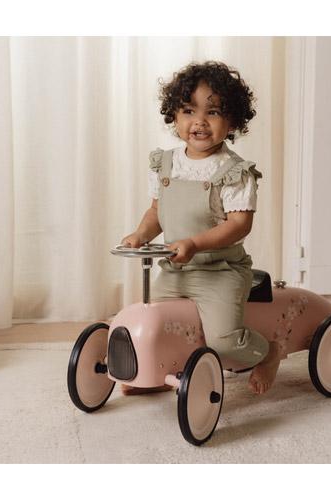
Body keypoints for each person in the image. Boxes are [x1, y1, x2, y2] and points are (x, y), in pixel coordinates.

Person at [121, 61, 282, 395]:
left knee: (223, 339)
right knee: (152, 320)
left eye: (213, 112)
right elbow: (157, 211)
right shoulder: (166, 164)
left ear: (233, 121)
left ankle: (267, 352)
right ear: (174, 116)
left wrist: (194, 243)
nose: (199, 121)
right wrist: (140, 234)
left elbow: (239, 225)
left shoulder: (234, 171)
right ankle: (154, 373)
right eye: (188, 111)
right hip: (176, 269)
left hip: (220, 272)